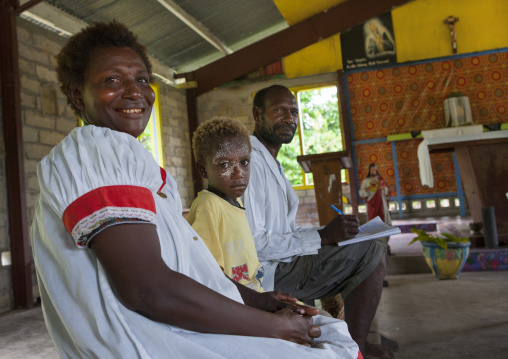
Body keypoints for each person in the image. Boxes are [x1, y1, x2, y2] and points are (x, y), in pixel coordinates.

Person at [30, 21, 361, 358]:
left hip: (169, 331)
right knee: (330, 347)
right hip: (149, 344)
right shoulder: (95, 151)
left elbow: (188, 268)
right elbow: (147, 290)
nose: (134, 91)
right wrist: (275, 328)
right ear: (76, 93)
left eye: (142, 79)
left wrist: (258, 300)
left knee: (326, 331)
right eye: (112, 80)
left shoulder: (130, 163)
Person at [242, 84, 393, 359]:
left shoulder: (271, 161)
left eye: (294, 112)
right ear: (257, 114)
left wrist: (328, 231)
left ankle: (349, 340)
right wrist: (323, 237)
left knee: (368, 239)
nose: (289, 118)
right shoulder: (251, 161)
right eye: (279, 110)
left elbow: (283, 232)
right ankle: (355, 349)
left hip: (284, 261)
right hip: (270, 272)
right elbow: (256, 244)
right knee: (372, 251)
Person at [188, 117, 264, 292]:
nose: (238, 173)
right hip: (236, 303)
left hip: (255, 296)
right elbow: (208, 275)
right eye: (224, 164)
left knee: (322, 317)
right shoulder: (208, 206)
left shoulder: (235, 203)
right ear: (203, 170)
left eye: (244, 162)